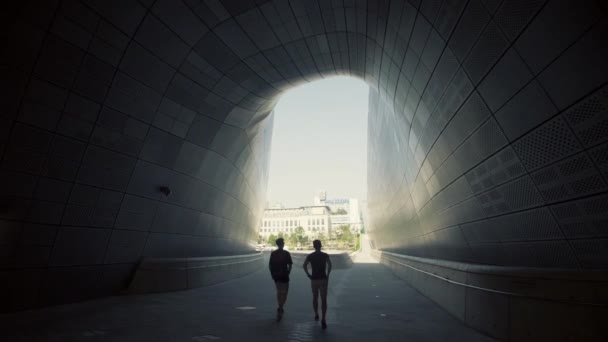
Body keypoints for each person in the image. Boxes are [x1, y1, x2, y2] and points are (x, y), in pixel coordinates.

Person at [303, 239, 332, 329]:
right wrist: (328, 274)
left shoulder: (310, 256)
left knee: (315, 297)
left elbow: (304, 265)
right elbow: (330, 265)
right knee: (323, 300)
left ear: (314, 246)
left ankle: (316, 314)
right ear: (321, 245)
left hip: (314, 279)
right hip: (323, 279)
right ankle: (323, 319)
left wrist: (308, 275)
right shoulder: (325, 255)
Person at [269, 238, 292, 321]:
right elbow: (290, 265)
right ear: (281, 244)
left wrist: (272, 275)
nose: (283, 244)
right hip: (284, 275)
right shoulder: (286, 253)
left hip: (277, 276)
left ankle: (280, 307)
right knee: (284, 292)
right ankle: (280, 307)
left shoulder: (274, 254)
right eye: (283, 243)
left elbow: (270, 265)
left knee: (279, 292)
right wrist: (288, 272)